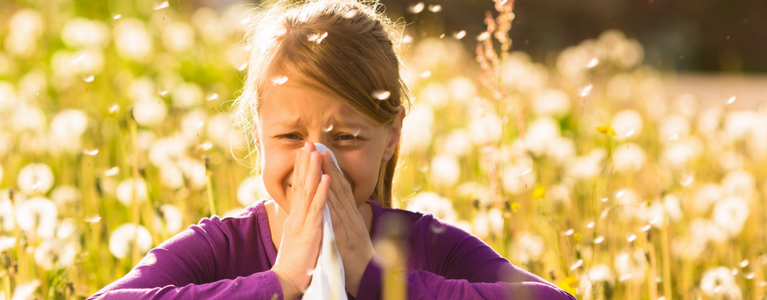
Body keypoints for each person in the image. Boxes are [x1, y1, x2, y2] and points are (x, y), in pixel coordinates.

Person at [88, 0, 576, 299]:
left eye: (346, 137)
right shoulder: (222, 249)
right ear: (257, 134)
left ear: (391, 138)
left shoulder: (427, 247)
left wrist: (377, 280)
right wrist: (279, 282)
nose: (317, 162)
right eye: (289, 137)